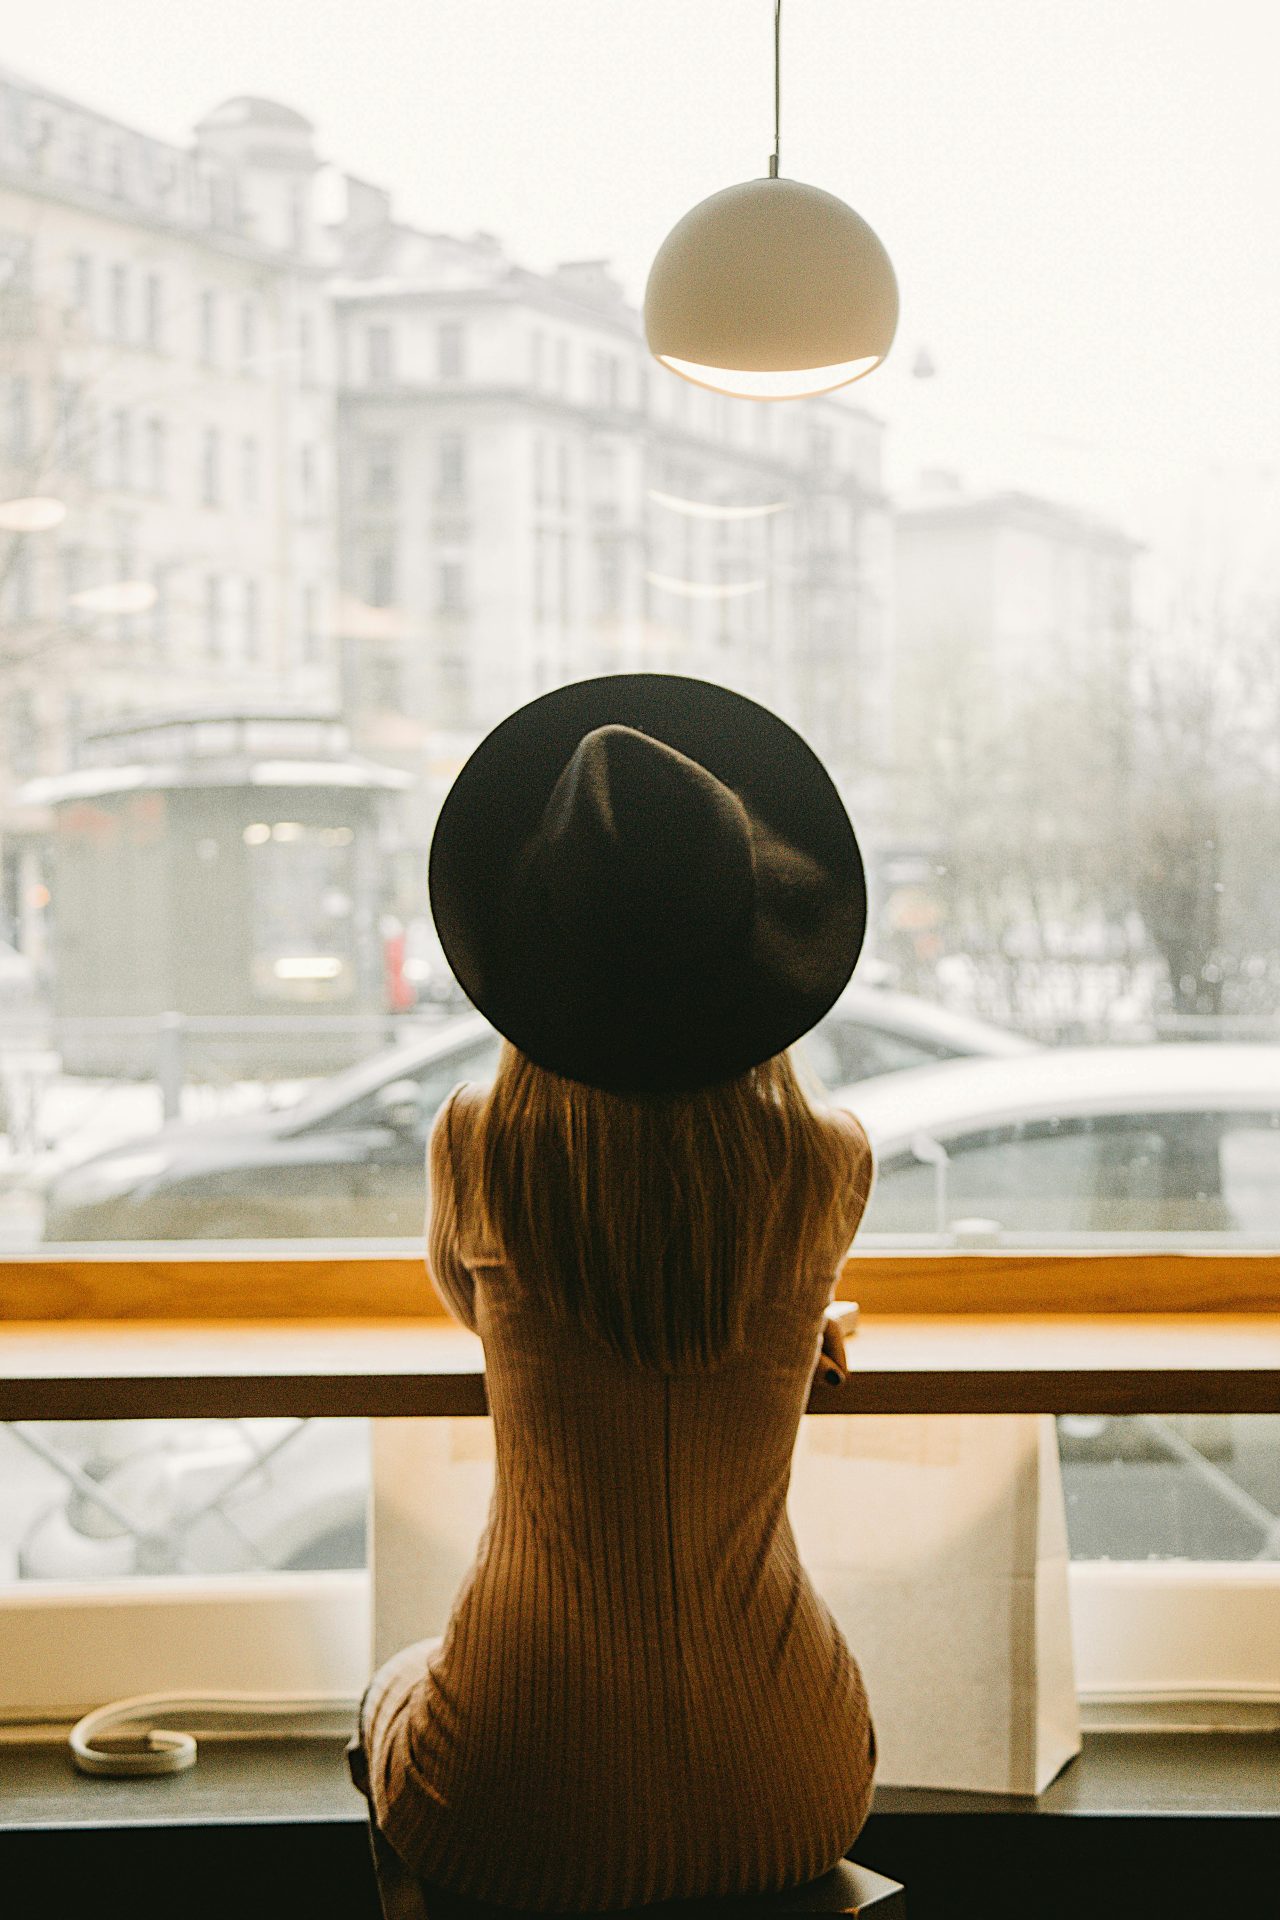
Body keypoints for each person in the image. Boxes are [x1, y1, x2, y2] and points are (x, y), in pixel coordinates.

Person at [349, 673, 879, 1914]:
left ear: (532, 954)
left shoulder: (479, 1144)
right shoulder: (827, 1163)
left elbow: (495, 1323)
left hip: (508, 1797)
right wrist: (797, 1327)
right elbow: (731, 1303)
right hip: (794, 1782)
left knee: (392, 1688)